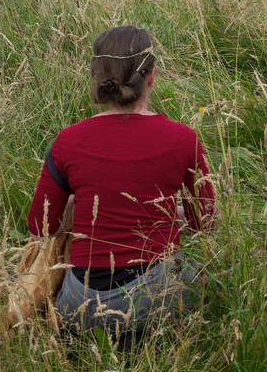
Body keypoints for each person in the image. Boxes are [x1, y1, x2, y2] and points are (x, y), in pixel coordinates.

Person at [27, 26, 216, 346]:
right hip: (153, 296)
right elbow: (206, 221)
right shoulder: (184, 138)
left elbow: (39, 227)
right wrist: (167, 214)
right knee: (209, 282)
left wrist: (81, 204)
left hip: (81, 304)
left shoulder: (67, 141)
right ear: (151, 76)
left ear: (98, 78)